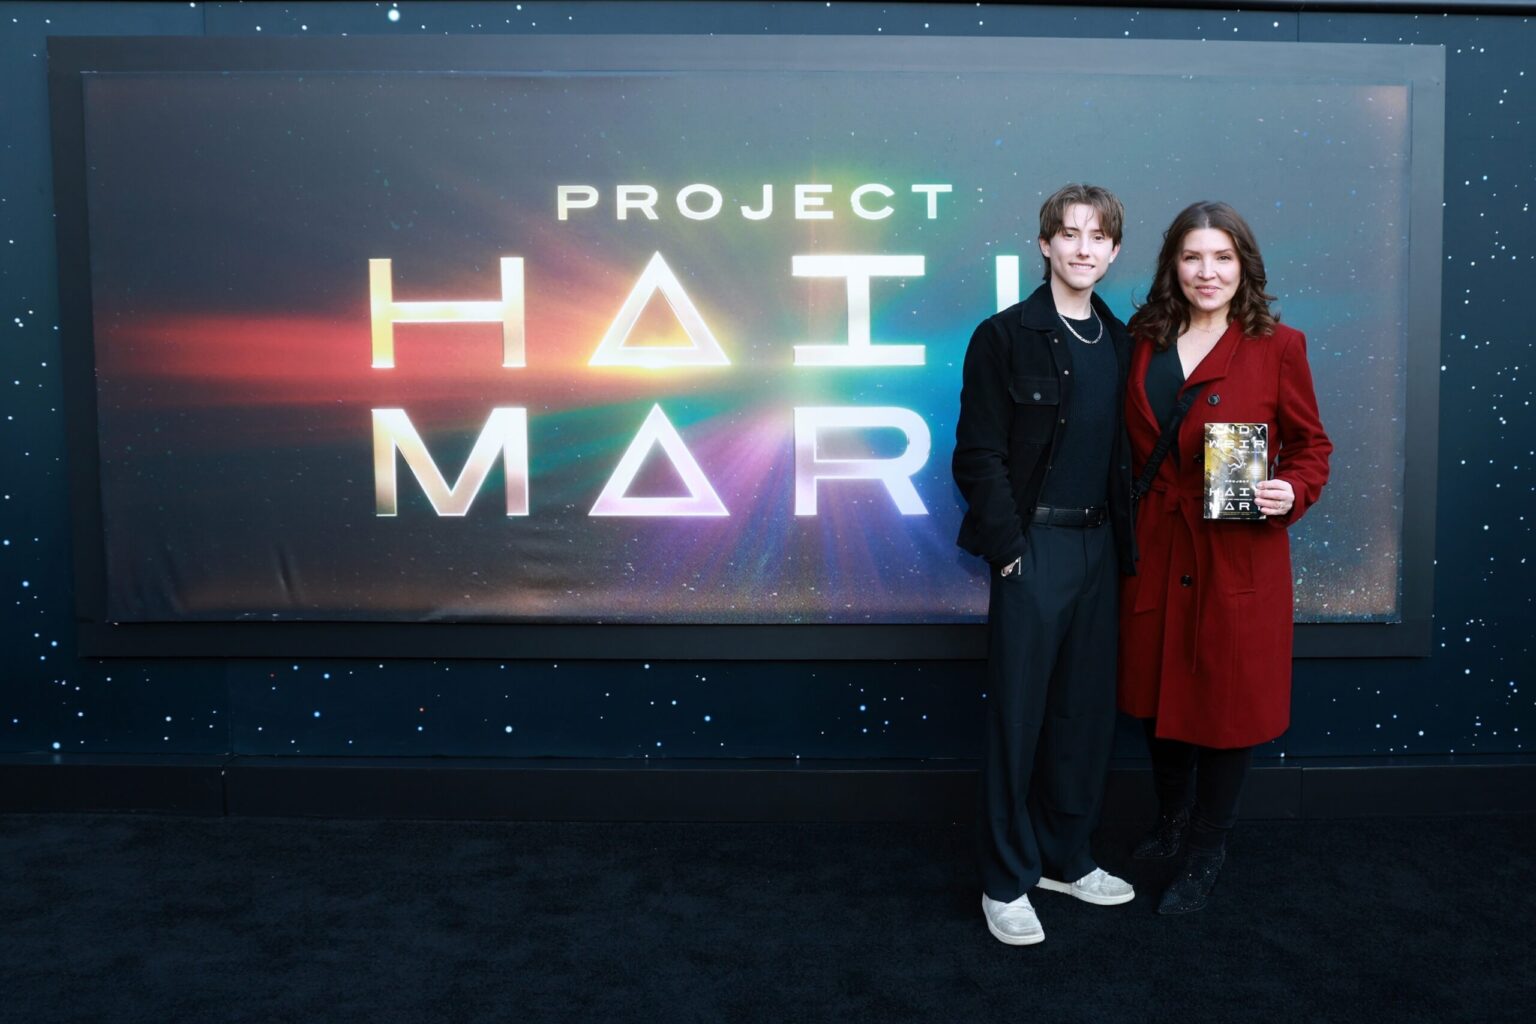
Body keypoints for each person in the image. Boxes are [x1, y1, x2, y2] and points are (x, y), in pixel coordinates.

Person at [1119, 201, 1331, 914]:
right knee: (1154, 696)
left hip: (1238, 554)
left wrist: (1290, 490)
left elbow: (1312, 447)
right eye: (1192, 257)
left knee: (1228, 704)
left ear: (1244, 267)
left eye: (1222, 258)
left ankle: (1208, 849)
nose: (1207, 272)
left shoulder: (1279, 346)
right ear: (1171, 266)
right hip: (1155, 545)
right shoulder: (1140, 341)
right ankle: (1171, 821)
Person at [954, 183, 1138, 946]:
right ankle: (1005, 880)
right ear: (1044, 244)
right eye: (1069, 234)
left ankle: (1066, 856)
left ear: (1114, 251)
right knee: (1019, 722)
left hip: (1103, 551)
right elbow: (978, 457)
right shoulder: (1004, 336)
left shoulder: (1124, 341)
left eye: (1098, 237)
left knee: (1083, 718)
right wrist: (1010, 553)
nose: (1083, 248)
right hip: (1035, 549)